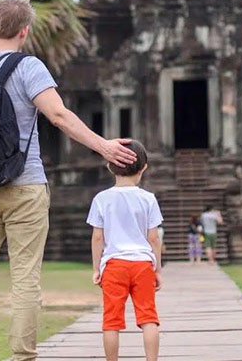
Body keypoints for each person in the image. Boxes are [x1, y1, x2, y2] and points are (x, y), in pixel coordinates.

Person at [0, 0, 137, 361]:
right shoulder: (28, 66)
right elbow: (58, 115)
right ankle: (22, 356)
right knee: (25, 278)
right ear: (25, 31)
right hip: (25, 184)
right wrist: (104, 146)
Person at [87, 140, 162, 361]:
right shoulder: (148, 199)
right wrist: (156, 269)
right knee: (149, 318)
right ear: (144, 167)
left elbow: (98, 236)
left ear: (110, 166)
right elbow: (154, 238)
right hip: (142, 264)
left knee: (111, 320)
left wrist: (96, 268)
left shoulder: (101, 199)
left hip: (113, 265)